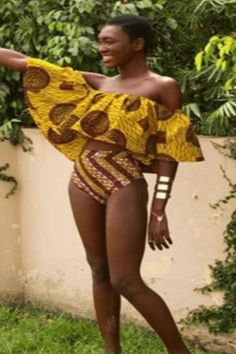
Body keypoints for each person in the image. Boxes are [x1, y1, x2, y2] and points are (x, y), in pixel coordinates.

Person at [0, 14, 204, 354]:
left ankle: (177, 351)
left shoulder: (163, 87)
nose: (101, 47)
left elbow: (170, 150)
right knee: (99, 270)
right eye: (100, 41)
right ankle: (112, 351)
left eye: (110, 41)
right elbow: (22, 62)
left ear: (136, 44)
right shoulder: (98, 83)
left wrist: (159, 208)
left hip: (124, 180)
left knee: (126, 279)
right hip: (83, 176)